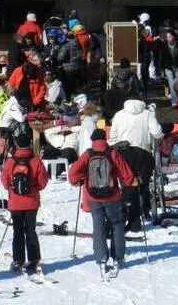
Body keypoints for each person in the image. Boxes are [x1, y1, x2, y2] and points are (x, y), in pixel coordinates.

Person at [68, 129, 136, 278]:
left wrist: (78, 180)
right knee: (117, 225)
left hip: (93, 197)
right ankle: (118, 257)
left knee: (98, 227)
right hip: (112, 197)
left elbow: (72, 173)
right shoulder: (112, 153)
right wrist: (130, 182)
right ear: (105, 139)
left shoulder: (88, 154)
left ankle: (101, 258)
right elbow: (127, 175)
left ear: (92, 140)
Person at [109, 99, 163, 228]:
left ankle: (125, 215)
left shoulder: (119, 115)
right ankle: (141, 212)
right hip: (142, 152)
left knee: (126, 184)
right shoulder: (147, 114)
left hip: (122, 152)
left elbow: (112, 136)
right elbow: (157, 132)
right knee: (142, 184)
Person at [1, 133, 49, 274]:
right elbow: (43, 182)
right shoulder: (36, 161)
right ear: (29, 143)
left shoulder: (10, 162)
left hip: (15, 202)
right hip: (31, 202)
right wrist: (34, 189)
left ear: (16, 144)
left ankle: (18, 260)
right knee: (31, 231)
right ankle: (34, 260)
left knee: (18, 232)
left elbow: (4, 182)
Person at [158, 30, 178, 107]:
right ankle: (174, 101)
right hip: (168, 66)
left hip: (177, 66)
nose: (168, 38)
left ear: (174, 37)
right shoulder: (163, 45)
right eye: (167, 36)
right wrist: (161, 69)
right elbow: (161, 57)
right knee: (171, 83)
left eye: (169, 36)